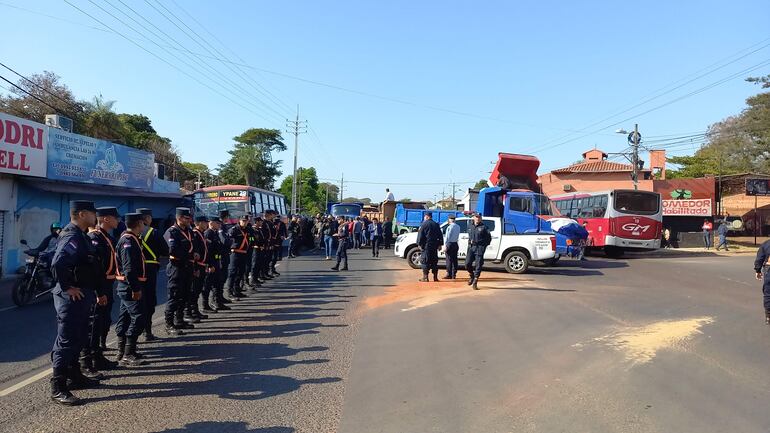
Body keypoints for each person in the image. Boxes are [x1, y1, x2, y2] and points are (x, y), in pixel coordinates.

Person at [49, 200, 100, 406]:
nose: (95, 216)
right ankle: (58, 386)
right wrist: (68, 286)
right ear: (82, 214)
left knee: (79, 337)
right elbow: (58, 263)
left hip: (82, 295)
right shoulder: (72, 235)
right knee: (67, 339)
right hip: (71, 297)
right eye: (92, 213)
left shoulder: (81, 235)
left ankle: (75, 376)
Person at [84, 207, 120, 373]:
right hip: (99, 286)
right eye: (115, 218)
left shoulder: (107, 238)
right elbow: (94, 269)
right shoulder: (94, 238)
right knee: (93, 324)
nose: (118, 220)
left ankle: (97, 355)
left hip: (108, 284)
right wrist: (99, 292)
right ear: (105, 219)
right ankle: (88, 360)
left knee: (103, 322)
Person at [114, 212, 147, 367]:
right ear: (138, 223)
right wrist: (135, 288)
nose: (144, 226)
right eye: (142, 223)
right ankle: (127, 353)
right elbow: (128, 269)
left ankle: (125, 350)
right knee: (139, 317)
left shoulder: (131, 239)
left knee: (125, 317)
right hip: (128, 286)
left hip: (127, 285)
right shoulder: (128, 241)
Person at [136, 208, 168, 342]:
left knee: (136, 302)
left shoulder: (129, 234)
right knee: (149, 300)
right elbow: (165, 251)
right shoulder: (154, 232)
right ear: (148, 218)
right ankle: (147, 331)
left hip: (136, 269)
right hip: (150, 268)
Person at [163, 207, 195, 335]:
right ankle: (169, 324)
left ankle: (179, 319)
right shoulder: (172, 232)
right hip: (176, 267)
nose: (189, 220)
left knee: (185, 295)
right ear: (180, 218)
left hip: (187, 267)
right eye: (187, 218)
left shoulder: (189, 231)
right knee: (174, 296)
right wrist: (188, 255)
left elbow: (193, 247)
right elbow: (172, 250)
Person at [203, 216, 229, 311]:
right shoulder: (208, 234)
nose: (219, 225)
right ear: (211, 223)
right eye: (217, 223)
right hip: (211, 262)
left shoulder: (215, 233)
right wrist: (210, 265)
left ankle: (217, 302)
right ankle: (205, 305)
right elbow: (208, 251)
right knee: (207, 285)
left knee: (217, 283)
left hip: (217, 261)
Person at [188, 216, 210, 322]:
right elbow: (195, 253)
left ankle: (195, 311)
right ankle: (192, 311)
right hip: (197, 266)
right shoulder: (195, 234)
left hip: (202, 265)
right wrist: (195, 268)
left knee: (198, 289)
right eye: (205, 222)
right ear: (200, 223)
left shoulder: (201, 233)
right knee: (194, 290)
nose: (207, 224)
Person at [225, 214, 250, 301]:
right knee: (232, 272)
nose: (245, 222)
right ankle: (229, 291)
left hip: (244, 253)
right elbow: (228, 240)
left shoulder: (247, 229)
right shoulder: (234, 230)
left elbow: (251, 239)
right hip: (235, 253)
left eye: (246, 221)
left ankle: (237, 289)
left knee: (240, 272)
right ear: (239, 221)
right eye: (243, 221)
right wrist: (231, 248)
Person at [466, 213, 491, 290]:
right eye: (476, 217)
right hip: (471, 247)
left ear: (481, 218)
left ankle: (475, 281)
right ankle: (471, 275)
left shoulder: (484, 227)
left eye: (479, 217)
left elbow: (488, 239)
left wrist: (483, 247)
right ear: (473, 217)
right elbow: (469, 237)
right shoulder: (470, 226)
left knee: (478, 265)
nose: (477, 218)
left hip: (479, 248)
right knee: (467, 263)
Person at [416, 212, 443, 282]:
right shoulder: (436, 224)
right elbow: (440, 235)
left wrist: (419, 244)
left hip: (426, 246)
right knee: (434, 261)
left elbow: (420, 235)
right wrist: (440, 244)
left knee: (425, 261)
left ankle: (425, 277)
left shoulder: (424, 224)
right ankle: (435, 277)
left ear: (427, 217)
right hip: (434, 246)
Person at [754, 239, 770, 325]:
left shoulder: (766, 244)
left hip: (769, 269)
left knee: (768, 293)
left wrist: (758, 270)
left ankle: (768, 316)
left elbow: (760, 258)